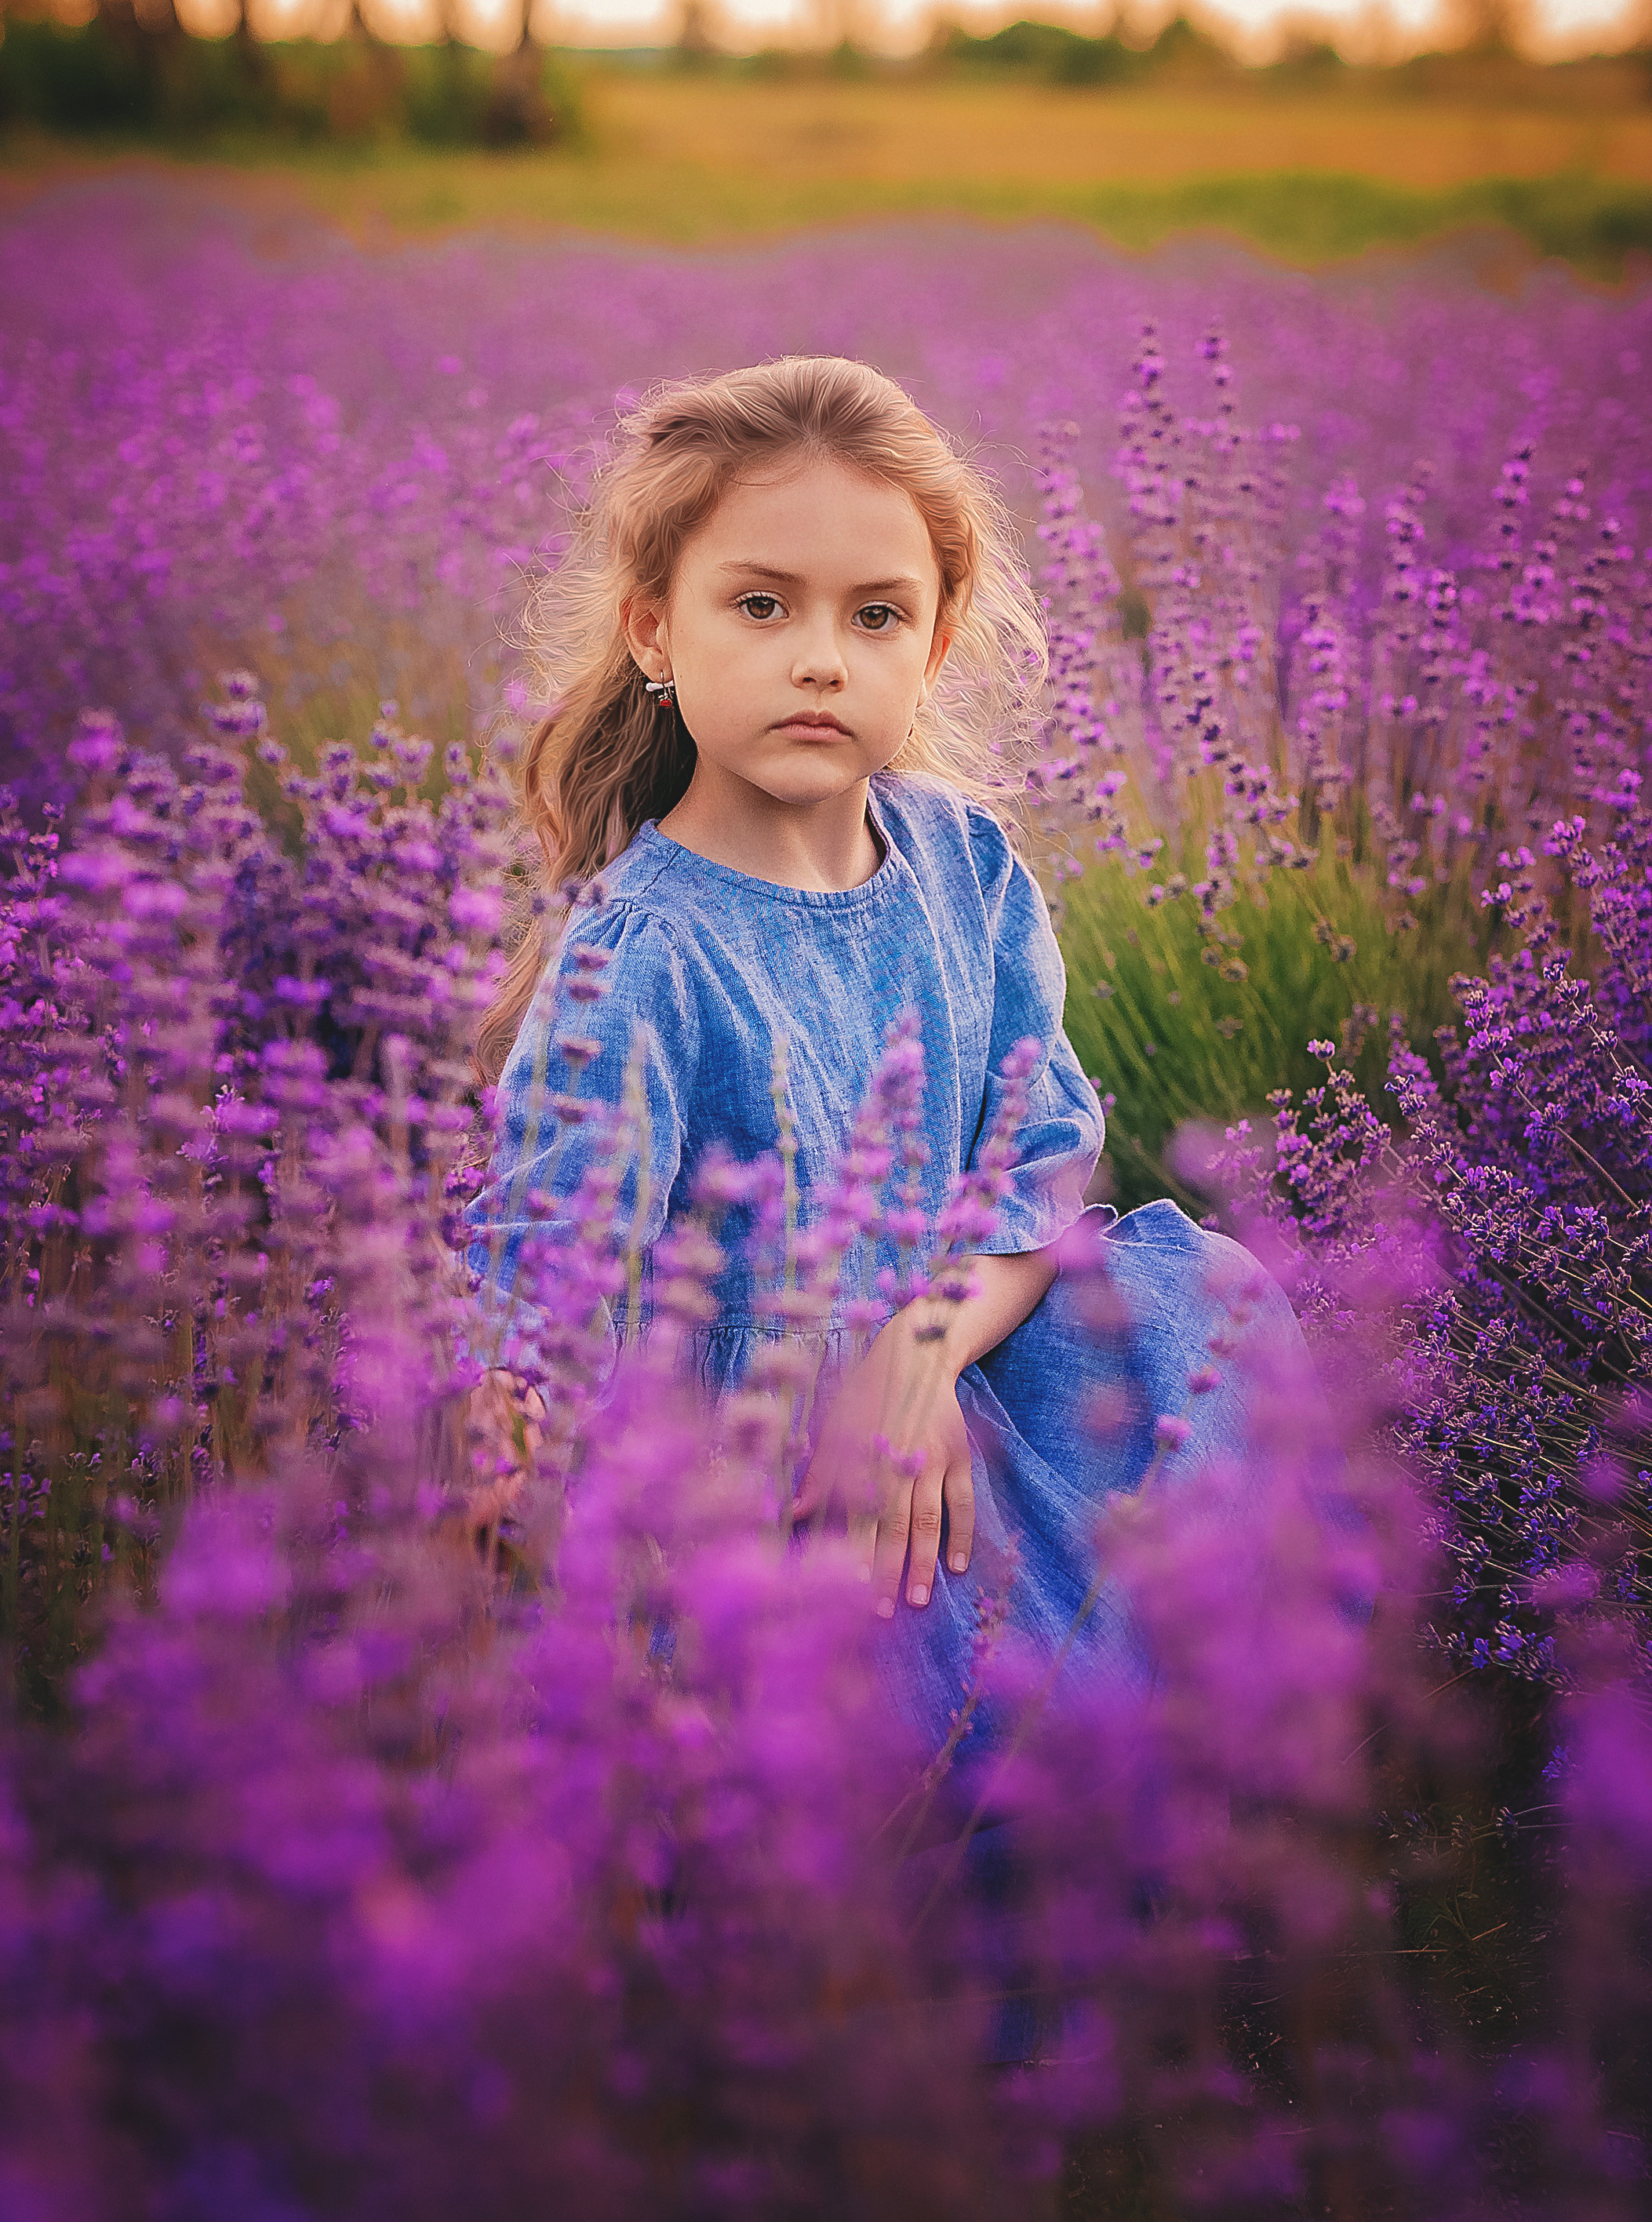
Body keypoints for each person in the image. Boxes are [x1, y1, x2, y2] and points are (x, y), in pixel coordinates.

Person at [469, 355, 1301, 1757]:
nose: (821, 657)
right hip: (775, 1479)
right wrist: (505, 1454)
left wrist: (920, 1343)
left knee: (1206, 1326)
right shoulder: (645, 953)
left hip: (956, 1367)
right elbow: (548, 1278)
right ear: (654, 628)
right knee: (939, 1752)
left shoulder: (962, 864)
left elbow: (1036, 1175)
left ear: (937, 639)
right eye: (761, 604)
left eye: (876, 614)